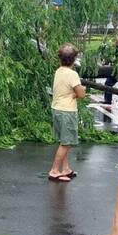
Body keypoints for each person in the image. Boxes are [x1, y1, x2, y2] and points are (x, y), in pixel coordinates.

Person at [48, 43, 86, 182]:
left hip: (57, 109)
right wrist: (80, 92)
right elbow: (81, 94)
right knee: (66, 143)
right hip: (67, 111)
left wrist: (74, 93)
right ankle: (54, 170)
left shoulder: (58, 71)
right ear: (74, 60)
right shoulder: (73, 74)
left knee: (64, 141)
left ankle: (65, 169)